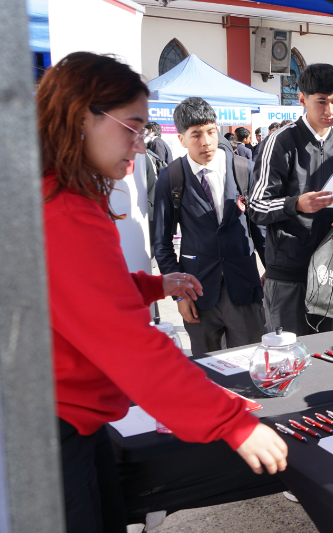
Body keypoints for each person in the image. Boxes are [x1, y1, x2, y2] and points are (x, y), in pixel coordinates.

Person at [38, 52, 287, 533]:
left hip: (73, 419)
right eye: (131, 126)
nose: (140, 143)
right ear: (81, 117)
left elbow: (77, 295)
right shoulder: (62, 208)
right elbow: (125, 340)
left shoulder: (64, 194)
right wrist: (230, 422)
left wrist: (151, 285)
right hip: (51, 425)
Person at [249, 63, 333, 336]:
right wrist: (296, 204)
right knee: (287, 359)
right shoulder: (280, 142)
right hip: (289, 273)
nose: (330, 110)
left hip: (329, 271)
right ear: (302, 99)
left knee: (325, 359)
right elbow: (257, 205)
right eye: (321, 101)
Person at [153, 97, 267, 356]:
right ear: (181, 139)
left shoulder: (243, 169)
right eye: (196, 135)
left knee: (251, 364)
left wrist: (271, 268)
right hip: (198, 295)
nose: (206, 141)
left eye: (211, 132)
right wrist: (180, 295)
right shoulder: (171, 178)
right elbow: (161, 243)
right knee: (208, 374)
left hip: (244, 289)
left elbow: (259, 228)